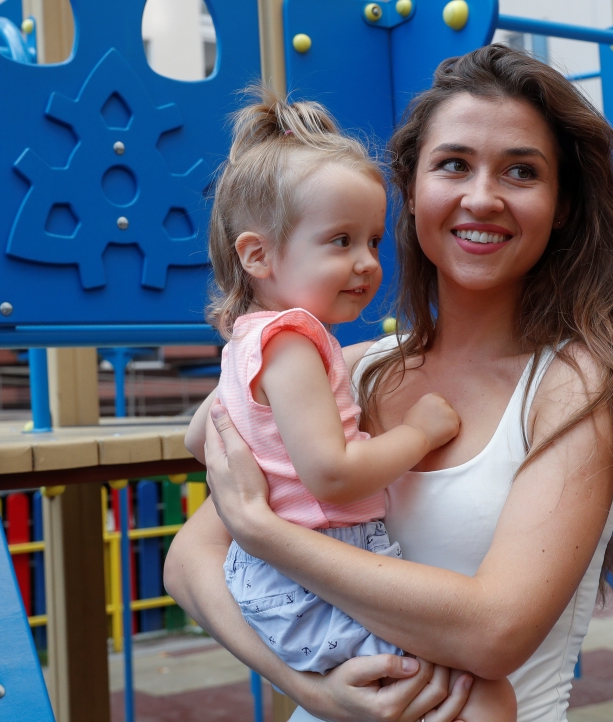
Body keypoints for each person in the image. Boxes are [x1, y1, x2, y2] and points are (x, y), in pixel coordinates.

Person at [166, 44, 613, 722]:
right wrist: (314, 692)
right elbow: (191, 558)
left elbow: (493, 631)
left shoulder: (576, 385)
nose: (482, 197)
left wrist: (264, 533)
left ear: (562, 206)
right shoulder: (351, 366)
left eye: (521, 171)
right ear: (410, 189)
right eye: (453, 164)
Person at [193, 86, 515, 721]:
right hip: (309, 574)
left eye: (371, 240)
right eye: (339, 241)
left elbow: (199, 436)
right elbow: (333, 475)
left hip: (277, 578)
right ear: (257, 254)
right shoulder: (294, 343)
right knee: (482, 699)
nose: (367, 264)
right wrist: (419, 434)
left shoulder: (249, 341)